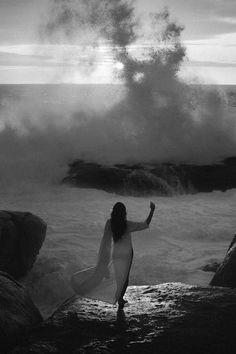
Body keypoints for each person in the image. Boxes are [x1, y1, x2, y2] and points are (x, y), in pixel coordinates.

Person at [71, 201, 155, 309]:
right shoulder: (127, 224)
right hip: (127, 254)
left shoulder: (109, 223)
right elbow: (145, 224)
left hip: (116, 253)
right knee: (125, 278)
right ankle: (120, 298)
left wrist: (103, 262)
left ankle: (118, 298)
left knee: (119, 277)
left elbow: (106, 242)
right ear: (124, 213)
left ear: (114, 212)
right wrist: (152, 211)